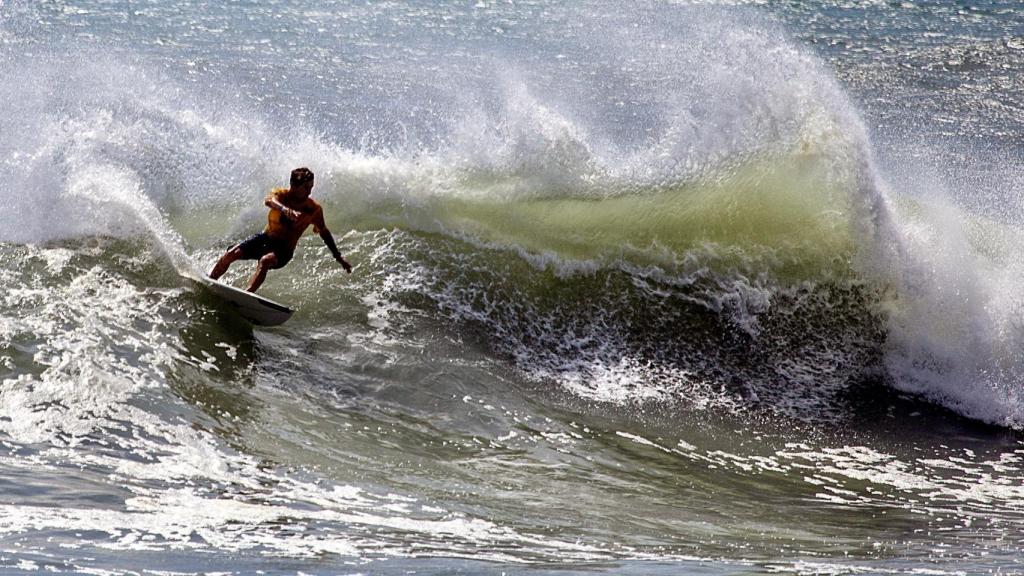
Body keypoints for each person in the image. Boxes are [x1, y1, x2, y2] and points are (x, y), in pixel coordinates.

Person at [210, 167, 352, 292]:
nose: (310, 191)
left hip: (284, 250)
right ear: (294, 186)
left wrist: (338, 257)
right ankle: (210, 281)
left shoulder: (313, 209)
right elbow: (269, 201)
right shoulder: (281, 195)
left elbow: (324, 232)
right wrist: (284, 209)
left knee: (265, 261)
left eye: (311, 187)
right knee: (231, 253)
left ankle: (247, 295)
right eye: (306, 187)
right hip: (266, 238)